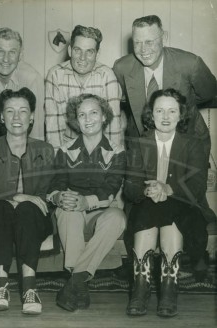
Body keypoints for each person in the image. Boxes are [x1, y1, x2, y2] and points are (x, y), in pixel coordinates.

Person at [124, 88, 214, 318]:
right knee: (147, 211)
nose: (165, 116)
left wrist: (168, 188)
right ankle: (141, 289)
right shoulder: (138, 143)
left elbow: (197, 186)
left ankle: (168, 289)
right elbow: (131, 187)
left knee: (170, 212)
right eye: (159, 111)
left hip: (183, 205)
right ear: (150, 115)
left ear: (180, 115)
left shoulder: (193, 144)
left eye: (172, 111)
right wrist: (148, 189)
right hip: (147, 203)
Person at [0, 87, 55, 315]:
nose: (17, 118)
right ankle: (1, 285)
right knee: (3, 207)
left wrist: (27, 201)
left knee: (26, 208)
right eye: (10, 111)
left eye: (23, 111)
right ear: (1, 117)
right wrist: (18, 196)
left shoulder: (45, 150)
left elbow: (47, 198)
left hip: (32, 221)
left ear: (32, 116)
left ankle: (29, 288)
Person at [47, 94, 126, 311]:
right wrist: (59, 196)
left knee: (117, 218)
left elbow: (111, 189)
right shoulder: (65, 150)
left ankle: (75, 281)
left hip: (100, 210)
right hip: (72, 211)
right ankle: (80, 284)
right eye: (82, 114)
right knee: (68, 208)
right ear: (76, 120)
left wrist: (87, 202)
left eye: (93, 113)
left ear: (103, 117)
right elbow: (55, 184)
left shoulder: (117, 152)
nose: (88, 119)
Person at [113, 15, 216, 155]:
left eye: (149, 42)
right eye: (137, 42)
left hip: (189, 140)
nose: (143, 50)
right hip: (142, 144)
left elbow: (209, 94)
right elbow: (123, 100)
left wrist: (184, 105)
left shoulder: (190, 64)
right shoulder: (122, 68)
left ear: (164, 37)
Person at [45, 25, 123, 152]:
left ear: (97, 55)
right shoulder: (55, 75)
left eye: (89, 52)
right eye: (77, 50)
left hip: (100, 148)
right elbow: (53, 127)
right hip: (68, 148)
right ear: (70, 51)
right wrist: (58, 160)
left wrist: (112, 159)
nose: (82, 58)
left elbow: (113, 127)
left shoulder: (107, 76)